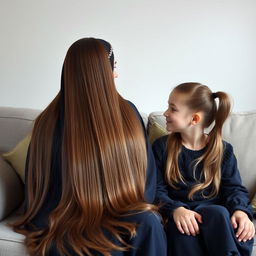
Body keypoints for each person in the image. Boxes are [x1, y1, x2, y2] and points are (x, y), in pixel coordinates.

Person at [13, 38, 167, 256]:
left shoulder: (47, 120)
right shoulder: (49, 123)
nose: (116, 74)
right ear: (104, 72)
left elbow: (36, 186)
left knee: (145, 222)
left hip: (88, 214)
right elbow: (146, 182)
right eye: (114, 67)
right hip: (66, 216)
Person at [152, 82, 255, 256]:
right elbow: (156, 189)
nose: (165, 113)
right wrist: (176, 209)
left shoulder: (223, 151)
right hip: (181, 216)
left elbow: (234, 189)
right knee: (181, 229)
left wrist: (240, 211)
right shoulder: (162, 148)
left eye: (173, 109)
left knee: (218, 212)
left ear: (194, 119)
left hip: (215, 218)